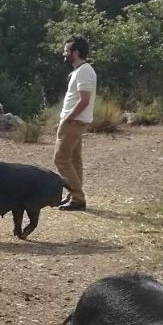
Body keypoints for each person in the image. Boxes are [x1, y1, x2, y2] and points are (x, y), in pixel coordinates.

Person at [55, 34, 96, 211]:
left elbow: (84, 99)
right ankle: (74, 195)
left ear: (76, 52)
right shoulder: (81, 71)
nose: (64, 54)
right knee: (74, 159)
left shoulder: (85, 71)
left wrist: (68, 118)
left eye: (67, 51)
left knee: (61, 159)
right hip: (76, 121)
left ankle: (78, 198)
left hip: (74, 121)